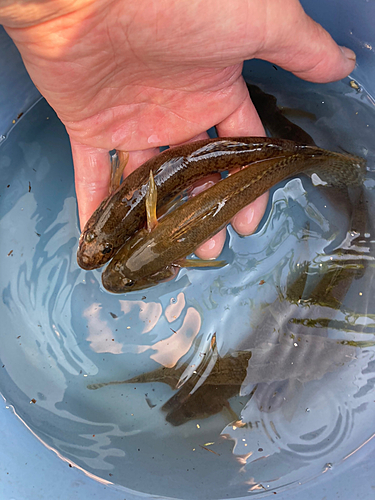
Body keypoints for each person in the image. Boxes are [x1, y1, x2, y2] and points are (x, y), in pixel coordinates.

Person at [0, 0, 356, 259]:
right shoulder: (130, 205)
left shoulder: (139, 214)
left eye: (91, 236)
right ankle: (320, 159)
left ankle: (320, 160)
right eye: (96, 239)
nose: (90, 240)